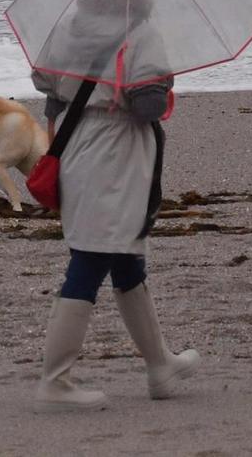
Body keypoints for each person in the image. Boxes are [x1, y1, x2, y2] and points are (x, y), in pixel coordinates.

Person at [31, 63, 198, 409]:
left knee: (124, 254)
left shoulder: (70, 28)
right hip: (115, 152)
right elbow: (148, 106)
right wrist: (164, 77)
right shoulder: (137, 32)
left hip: (77, 144)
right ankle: (55, 381)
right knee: (92, 257)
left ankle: (159, 364)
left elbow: (46, 85)